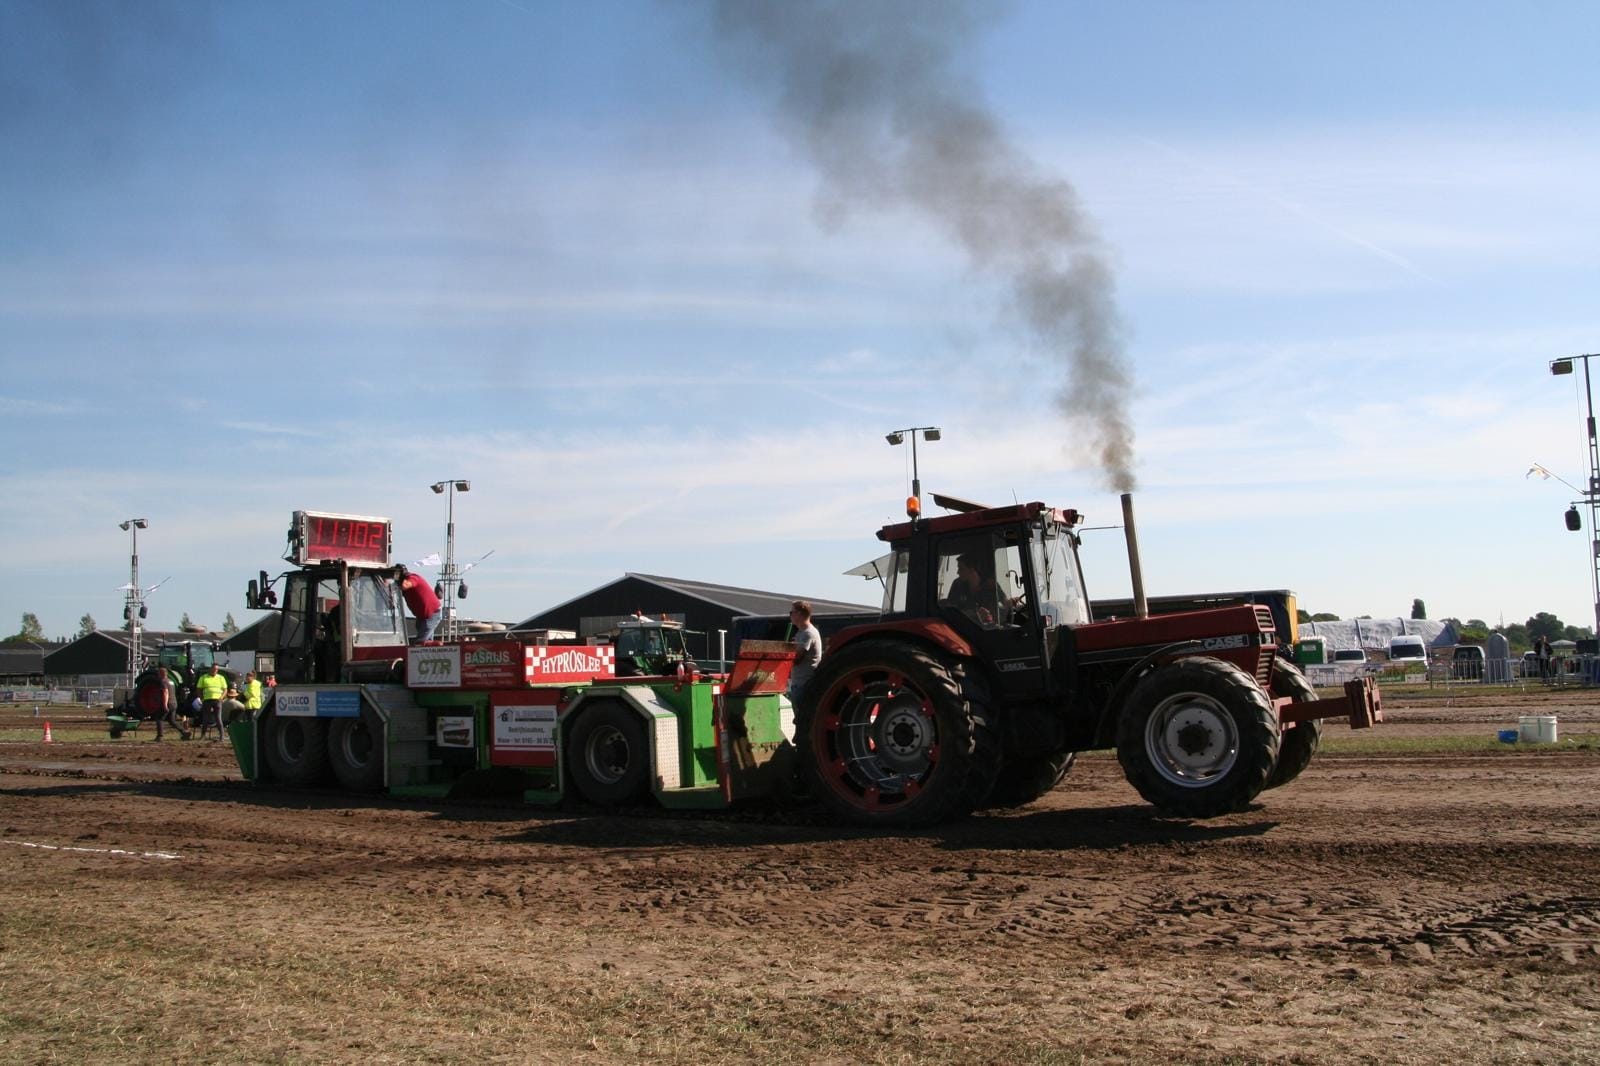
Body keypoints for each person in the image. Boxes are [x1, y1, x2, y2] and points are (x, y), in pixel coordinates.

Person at [942, 551, 1005, 626]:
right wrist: (975, 614)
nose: (957, 572)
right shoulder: (957, 584)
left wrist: (1009, 604)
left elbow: (1004, 604)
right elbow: (951, 612)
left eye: (961, 568)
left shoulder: (991, 585)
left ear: (972, 570)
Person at [397, 565, 443, 644]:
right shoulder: (404, 585)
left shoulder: (413, 577)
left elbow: (405, 585)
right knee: (427, 641)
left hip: (431, 613)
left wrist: (395, 579)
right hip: (422, 616)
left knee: (420, 643)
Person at [788, 599, 822, 705]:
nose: (790, 615)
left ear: (799, 614)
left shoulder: (808, 633)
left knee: (802, 719)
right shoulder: (801, 632)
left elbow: (797, 657)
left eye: (791, 612)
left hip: (804, 684)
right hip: (799, 682)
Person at [153, 667, 190, 742]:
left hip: (168, 703)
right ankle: (184, 732)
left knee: (160, 719)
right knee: (172, 721)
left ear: (161, 674)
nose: (158, 675)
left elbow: (165, 692)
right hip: (174, 703)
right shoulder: (171, 681)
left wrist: (164, 704)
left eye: (159, 673)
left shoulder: (163, 682)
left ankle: (159, 737)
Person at [194, 663, 229, 740]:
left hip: (217, 700)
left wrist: (221, 697)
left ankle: (222, 735)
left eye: (216, 669)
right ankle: (203, 736)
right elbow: (199, 689)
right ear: (210, 669)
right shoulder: (203, 677)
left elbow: (225, 689)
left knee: (218, 718)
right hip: (207, 700)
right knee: (205, 718)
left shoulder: (221, 678)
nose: (214, 671)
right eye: (213, 669)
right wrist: (202, 698)